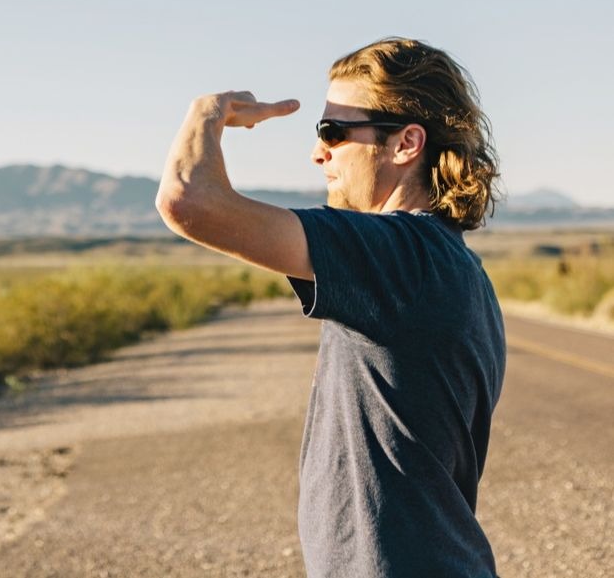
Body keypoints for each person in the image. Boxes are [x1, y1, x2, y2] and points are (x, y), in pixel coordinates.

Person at [155, 37, 505, 578]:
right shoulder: (445, 264)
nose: (319, 152)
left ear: (406, 143)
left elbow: (189, 201)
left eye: (334, 132)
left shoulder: (397, 255)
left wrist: (207, 112)